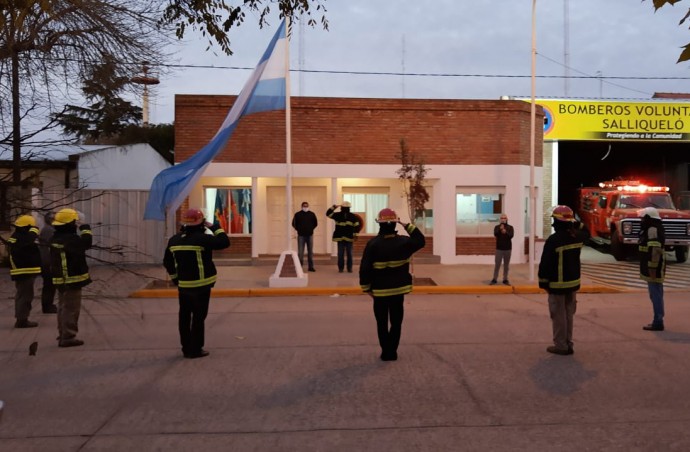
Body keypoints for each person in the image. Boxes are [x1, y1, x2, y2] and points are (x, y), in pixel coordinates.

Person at [359, 208, 425, 361]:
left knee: (381, 323)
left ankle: (385, 351)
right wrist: (405, 225)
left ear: (379, 224)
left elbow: (365, 268)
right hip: (398, 291)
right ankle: (392, 352)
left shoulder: (372, 244)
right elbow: (420, 240)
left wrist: (366, 288)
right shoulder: (404, 242)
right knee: (396, 323)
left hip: (380, 293)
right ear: (395, 224)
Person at [164, 208, 230, 359]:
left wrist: (175, 278)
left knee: (184, 317)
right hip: (202, 286)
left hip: (184, 286)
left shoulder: (174, 239)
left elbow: (167, 261)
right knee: (198, 318)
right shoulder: (202, 238)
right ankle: (195, 349)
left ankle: (186, 348)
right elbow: (225, 242)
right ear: (201, 222)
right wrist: (214, 227)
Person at [538, 205, 588, 356]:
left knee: (558, 316)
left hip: (557, 285)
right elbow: (587, 232)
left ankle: (561, 346)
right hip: (573, 284)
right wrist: (575, 222)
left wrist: (543, 282)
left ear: (557, 222)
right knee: (568, 315)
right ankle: (568, 343)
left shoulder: (554, 240)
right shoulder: (577, 236)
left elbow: (545, 263)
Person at [50, 208, 93, 347]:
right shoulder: (70, 239)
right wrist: (85, 227)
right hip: (71, 280)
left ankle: (62, 333)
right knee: (71, 308)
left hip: (61, 280)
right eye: (74, 222)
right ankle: (67, 337)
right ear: (70, 224)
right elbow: (86, 243)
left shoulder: (57, 237)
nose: (76, 224)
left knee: (63, 307)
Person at [8, 215, 41, 328]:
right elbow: (29, 239)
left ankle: (21, 318)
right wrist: (35, 230)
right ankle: (22, 320)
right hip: (24, 272)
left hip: (22, 271)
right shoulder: (22, 237)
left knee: (23, 295)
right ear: (27, 227)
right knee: (25, 296)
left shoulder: (17, 236)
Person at [638, 207, 666, 331]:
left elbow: (655, 250)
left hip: (654, 267)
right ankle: (658, 320)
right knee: (656, 293)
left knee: (656, 294)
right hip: (654, 266)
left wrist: (652, 268)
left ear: (649, 218)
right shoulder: (652, 228)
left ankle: (658, 321)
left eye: (643, 218)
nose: (641, 220)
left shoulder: (652, 229)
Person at [326, 201, 360, 273]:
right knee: (343, 254)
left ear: (342, 208)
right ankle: (343, 268)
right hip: (342, 238)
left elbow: (357, 226)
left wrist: (356, 235)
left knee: (346, 254)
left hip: (347, 238)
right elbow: (328, 214)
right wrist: (334, 207)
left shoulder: (352, 216)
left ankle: (348, 268)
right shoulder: (339, 215)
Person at [38, 211, 57, 314]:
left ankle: (48, 305)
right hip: (47, 261)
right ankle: (47, 306)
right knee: (49, 285)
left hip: (47, 260)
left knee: (49, 285)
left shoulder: (48, 229)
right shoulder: (49, 230)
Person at [291, 201, 318, 272]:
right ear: (302, 206)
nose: (305, 207)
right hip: (301, 236)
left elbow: (315, 223)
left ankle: (311, 267)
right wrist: (298, 229)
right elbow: (293, 223)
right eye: (304, 206)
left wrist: (311, 228)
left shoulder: (312, 214)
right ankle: (299, 267)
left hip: (310, 235)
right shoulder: (297, 214)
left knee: (310, 252)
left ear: (308, 206)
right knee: (300, 252)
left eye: (306, 206)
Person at [490, 213, 514, 285]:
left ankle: (505, 279)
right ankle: (494, 279)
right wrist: (500, 230)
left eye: (504, 218)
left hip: (507, 249)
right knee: (497, 264)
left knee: (506, 265)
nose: (503, 219)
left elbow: (511, 236)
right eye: (502, 218)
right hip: (499, 249)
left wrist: (505, 231)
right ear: (500, 220)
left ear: (506, 219)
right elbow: (495, 234)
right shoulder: (497, 227)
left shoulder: (510, 227)